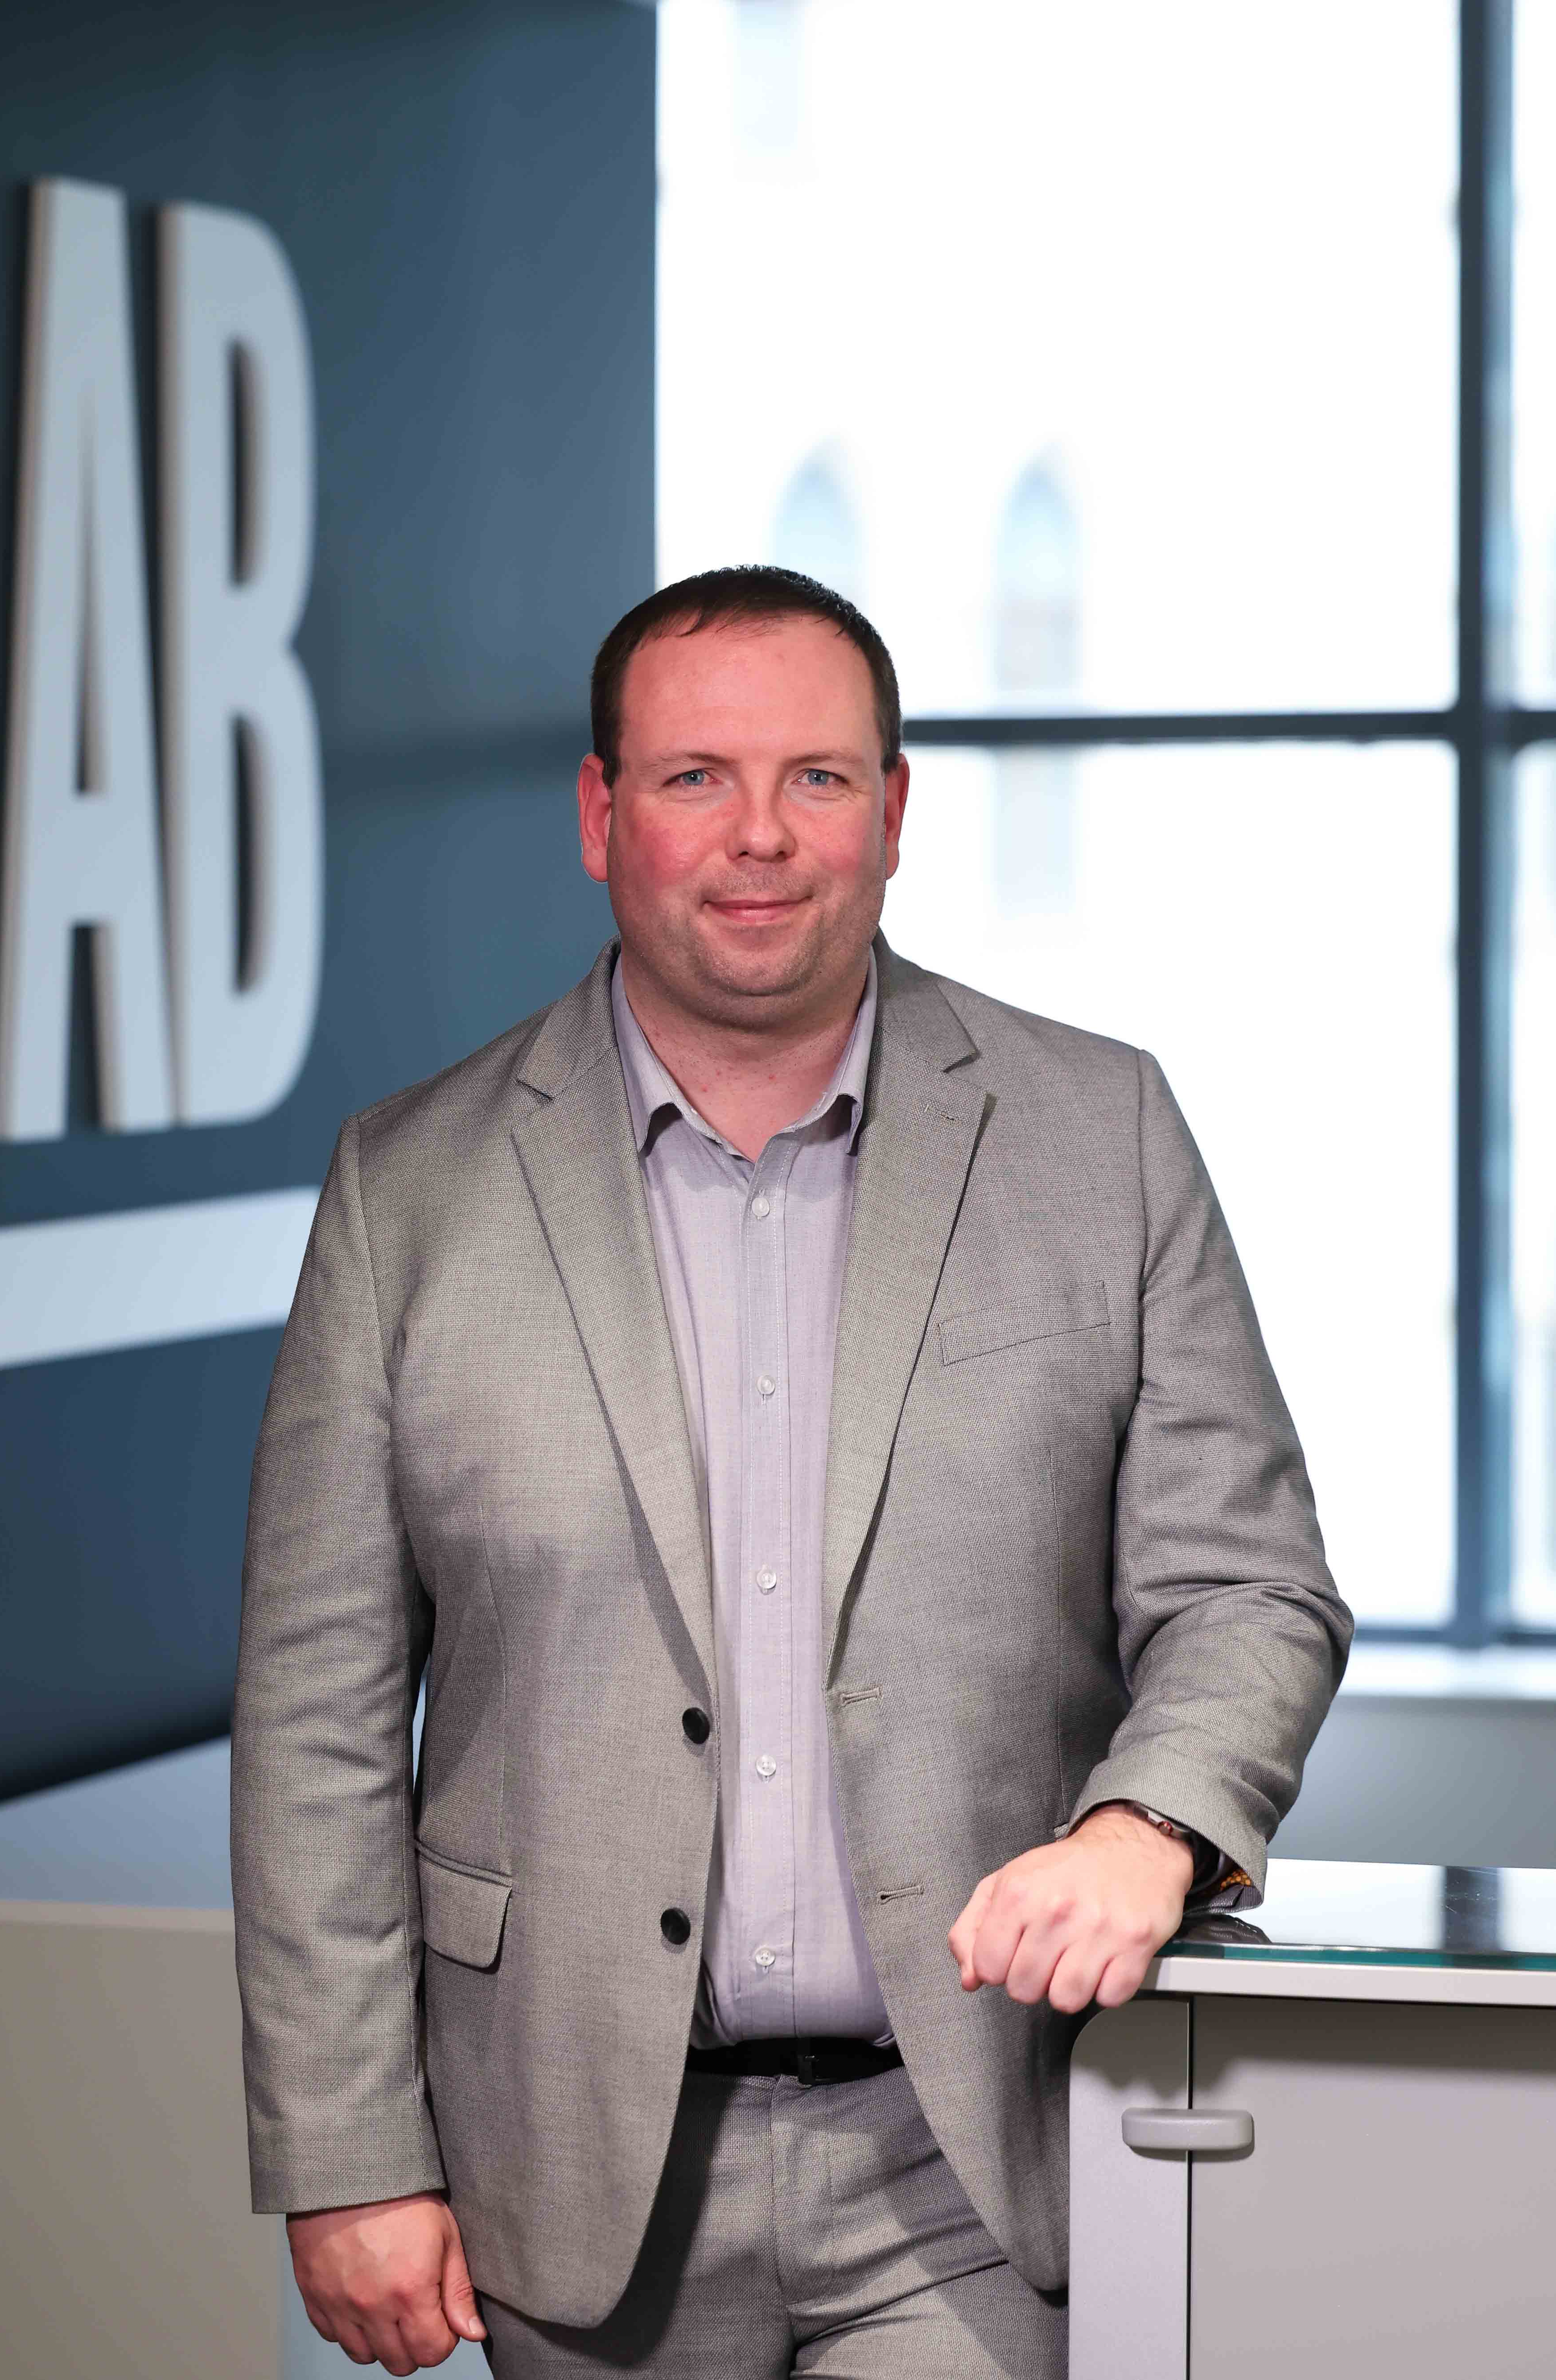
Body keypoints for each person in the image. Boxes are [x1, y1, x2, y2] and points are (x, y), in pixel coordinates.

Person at [231, 565, 1351, 2378]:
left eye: (820, 779)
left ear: (895, 811)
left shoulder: (1102, 1134)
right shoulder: (407, 1190)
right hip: (570, 2165)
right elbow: (316, 1720)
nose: (760, 839)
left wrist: (1150, 1824)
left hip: (974, 2148)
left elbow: (1249, 1588)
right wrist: (345, 2151)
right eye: (693, 780)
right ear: (602, 816)